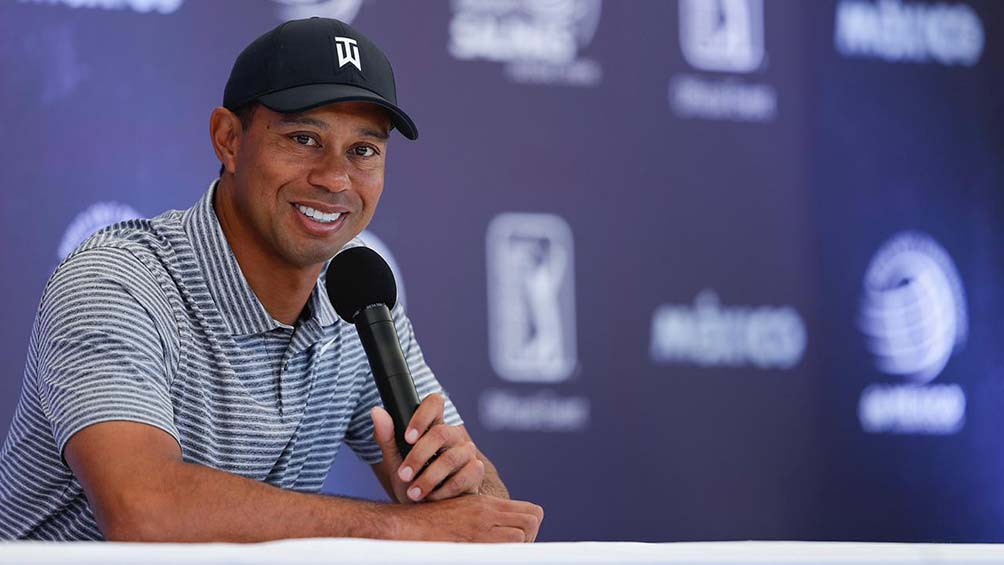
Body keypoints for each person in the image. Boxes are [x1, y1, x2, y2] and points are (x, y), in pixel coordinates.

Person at [0, 17, 543, 543]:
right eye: (304, 138)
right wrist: (405, 528)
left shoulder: (358, 299)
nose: (335, 178)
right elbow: (144, 509)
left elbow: (483, 515)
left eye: (364, 151)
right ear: (229, 140)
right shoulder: (117, 281)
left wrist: (455, 487)